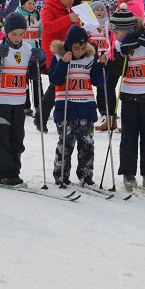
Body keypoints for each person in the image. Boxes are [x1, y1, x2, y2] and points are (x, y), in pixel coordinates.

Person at [0, 12, 46, 186]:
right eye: (13, 34)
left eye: (21, 34)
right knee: (1, 138)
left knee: (17, 139)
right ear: (7, 32)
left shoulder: (27, 49)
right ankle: (4, 173)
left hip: (18, 101)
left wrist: (39, 62)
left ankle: (14, 171)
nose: (17, 38)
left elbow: (32, 75)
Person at [108, 4, 145, 191]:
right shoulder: (120, 45)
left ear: (125, 29)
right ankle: (128, 173)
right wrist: (120, 56)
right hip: (129, 98)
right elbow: (116, 71)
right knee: (128, 138)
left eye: (116, 32)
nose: (114, 36)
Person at [39, 25, 105, 186]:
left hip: (86, 106)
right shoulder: (58, 57)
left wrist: (102, 66)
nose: (80, 52)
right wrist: (64, 63)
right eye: (76, 48)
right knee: (66, 143)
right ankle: (61, 175)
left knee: (87, 143)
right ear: (69, 46)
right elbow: (55, 80)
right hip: (66, 107)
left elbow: (98, 81)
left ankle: (86, 175)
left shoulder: (90, 58)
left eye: (83, 48)